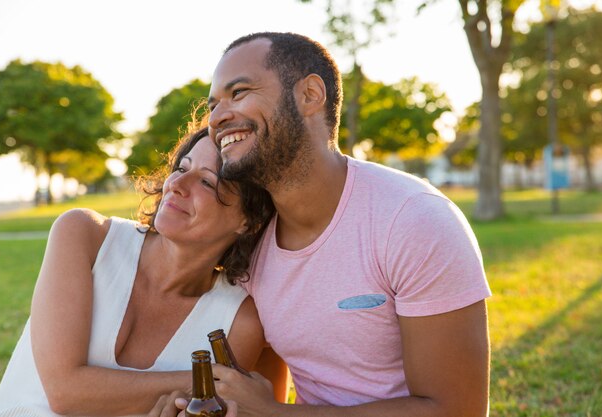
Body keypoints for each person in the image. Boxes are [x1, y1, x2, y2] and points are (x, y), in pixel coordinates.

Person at [172, 31, 492, 417]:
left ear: (309, 95)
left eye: (238, 92)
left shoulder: (412, 220)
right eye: (213, 105)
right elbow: (261, 385)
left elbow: (457, 410)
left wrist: (276, 414)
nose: (217, 117)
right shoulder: (250, 243)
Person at [0, 125, 284, 417]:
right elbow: (64, 392)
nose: (176, 185)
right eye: (181, 168)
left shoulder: (237, 320)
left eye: (207, 182)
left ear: (249, 220)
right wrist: (213, 380)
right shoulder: (86, 234)